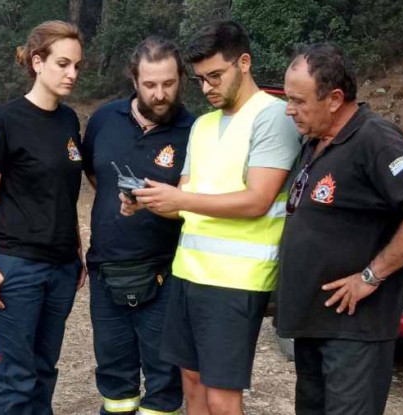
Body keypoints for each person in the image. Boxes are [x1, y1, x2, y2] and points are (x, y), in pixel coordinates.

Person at [125, 21, 301, 415]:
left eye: (216, 76)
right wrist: (151, 200)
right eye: (201, 80)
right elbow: (185, 198)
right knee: (191, 380)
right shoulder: (202, 126)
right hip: (189, 272)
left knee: (222, 395)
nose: (207, 89)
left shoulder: (272, 117)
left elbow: (257, 200)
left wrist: (180, 197)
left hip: (237, 280)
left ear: (244, 62)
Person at [276, 43, 403, 415]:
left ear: (335, 98)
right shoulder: (318, 138)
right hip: (314, 324)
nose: (289, 109)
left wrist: (371, 276)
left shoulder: (375, 139)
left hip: (354, 332)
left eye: (298, 100)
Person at [0, 20, 86, 415]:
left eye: (77, 66)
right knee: (15, 376)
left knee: (42, 370)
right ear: (37, 62)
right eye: (63, 63)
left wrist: (78, 251)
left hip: (61, 269)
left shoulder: (70, 121)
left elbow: (64, 195)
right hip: (16, 267)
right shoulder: (3, 121)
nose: (72, 74)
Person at [81, 36, 194, 415]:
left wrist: (158, 205)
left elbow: (196, 203)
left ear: (180, 78)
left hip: (166, 273)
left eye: (168, 83)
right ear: (134, 80)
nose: (160, 94)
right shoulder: (103, 120)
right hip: (105, 269)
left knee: (164, 381)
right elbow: (97, 177)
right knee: (114, 380)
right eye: (150, 85)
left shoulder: (195, 130)